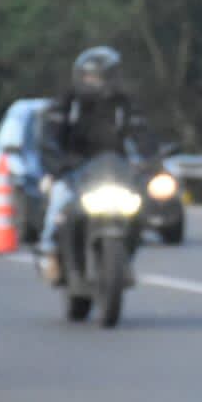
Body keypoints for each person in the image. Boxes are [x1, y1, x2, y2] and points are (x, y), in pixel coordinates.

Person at [36, 46, 145, 283]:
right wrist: (57, 164)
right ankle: (49, 254)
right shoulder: (67, 102)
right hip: (73, 169)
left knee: (140, 208)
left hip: (115, 172)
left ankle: (125, 257)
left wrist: (151, 160)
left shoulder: (124, 104)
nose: (92, 81)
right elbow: (49, 136)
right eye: (88, 76)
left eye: (98, 76)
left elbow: (142, 134)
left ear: (112, 77)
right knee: (58, 201)